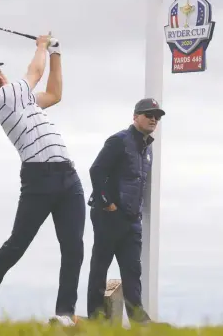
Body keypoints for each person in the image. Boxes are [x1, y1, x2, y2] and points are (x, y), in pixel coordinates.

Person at [0, 34, 85, 326]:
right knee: (17, 245)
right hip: (38, 179)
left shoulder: (23, 100)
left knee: (73, 247)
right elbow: (35, 72)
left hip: (68, 176)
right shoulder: (3, 99)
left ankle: (64, 313)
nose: (0, 76)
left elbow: (55, 94)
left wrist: (56, 53)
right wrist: (42, 45)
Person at [86, 98, 166, 324]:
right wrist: (107, 203)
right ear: (135, 116)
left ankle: (139, 322)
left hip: (132, 220)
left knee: (132, 272)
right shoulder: (119, 141)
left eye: (157, 116)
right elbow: (97, 170)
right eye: (148, 114)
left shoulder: (147, 149)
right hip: (109, 216)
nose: (153, 119)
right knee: (100, 268)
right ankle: (96, 319)